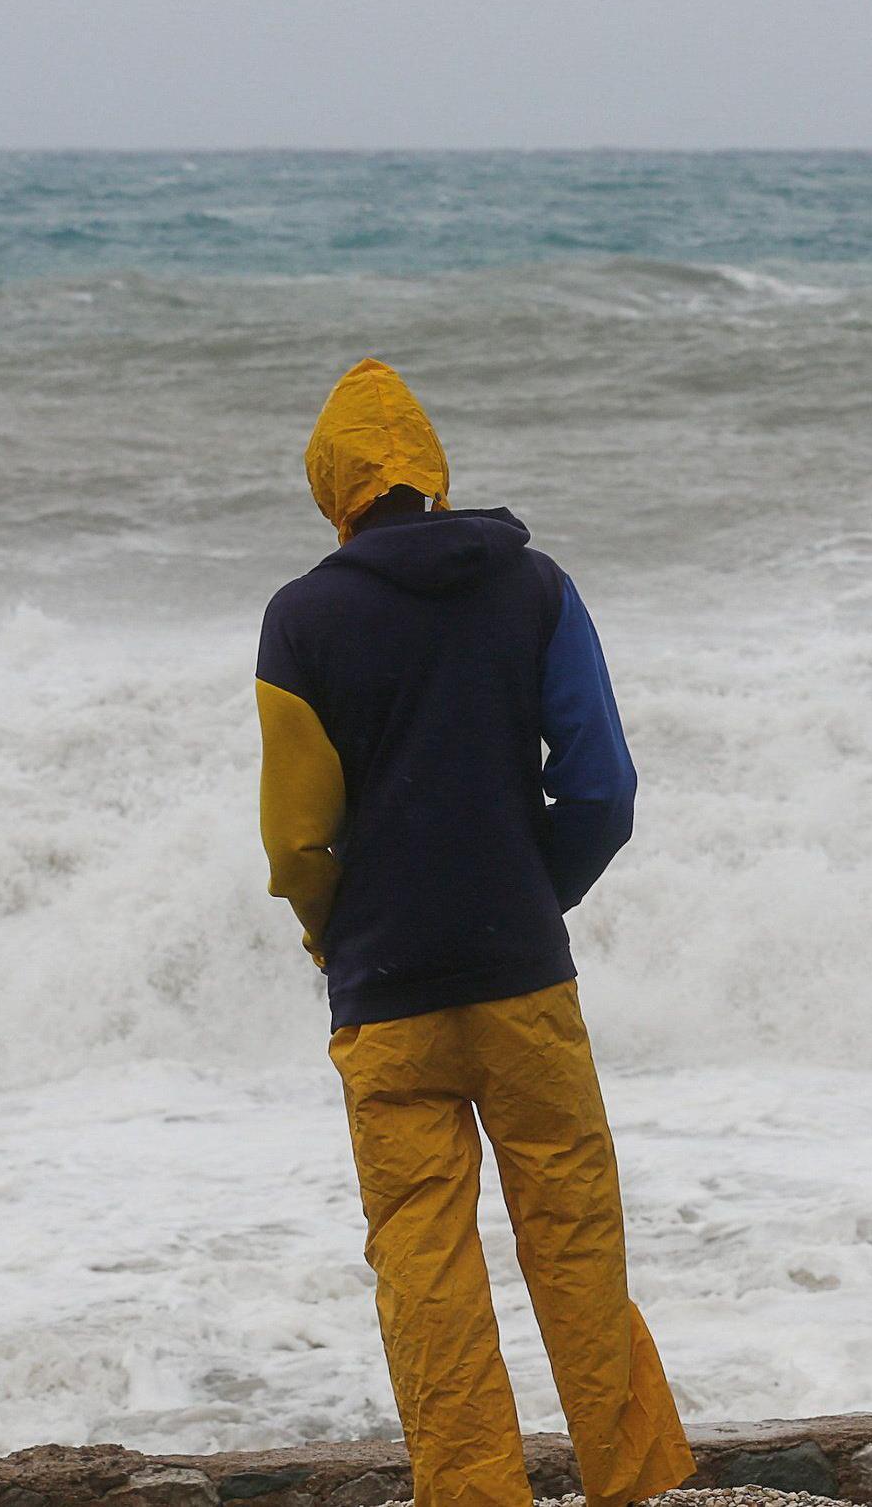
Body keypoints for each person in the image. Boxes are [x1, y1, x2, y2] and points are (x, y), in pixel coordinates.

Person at [255, 358, 692, 1507]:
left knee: (424, 1263)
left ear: (333, 484)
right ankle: (636, 1484)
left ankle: (475, 1495)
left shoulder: (300, 620)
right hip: (521, 982)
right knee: (578, 1245)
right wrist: (528, 891)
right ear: (431, 470)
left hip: (385, 994)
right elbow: (602, 791)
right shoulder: (535, 588)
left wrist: (333, 934)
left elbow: (299, 844)